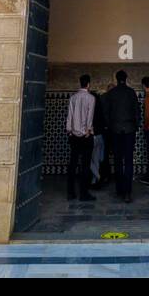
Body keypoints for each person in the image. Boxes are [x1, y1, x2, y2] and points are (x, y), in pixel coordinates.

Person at [102, 69, 139, 202]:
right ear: (126, 78)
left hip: (116, 131)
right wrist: (136, 127)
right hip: (129, 130)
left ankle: (119, 190)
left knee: (117, 161)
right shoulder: (131, 93)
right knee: (129, 161)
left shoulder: (111, 94)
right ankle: (128, 192)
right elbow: (137, 111)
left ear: (116, 79)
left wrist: (110, 126)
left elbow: (106, 113)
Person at [66, 73, 96, 201]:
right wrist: (88, 130)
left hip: (73, 135)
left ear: (80, 83)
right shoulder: (91, 98)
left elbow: (70, 116)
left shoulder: (73, 98)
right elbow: (90, 116)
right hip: (85, 136)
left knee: (72, 164)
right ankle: (84, 194)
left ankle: (71, 193)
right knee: (85, 165)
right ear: (88, 84)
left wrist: (69, 130)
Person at [89, 85, 107, 188]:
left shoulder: (90, 111)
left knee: (87, 159)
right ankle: (94, 181)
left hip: (92, 136)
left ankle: (98, 177)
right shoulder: (101, 110)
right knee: (96, 160)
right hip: (100, 137)